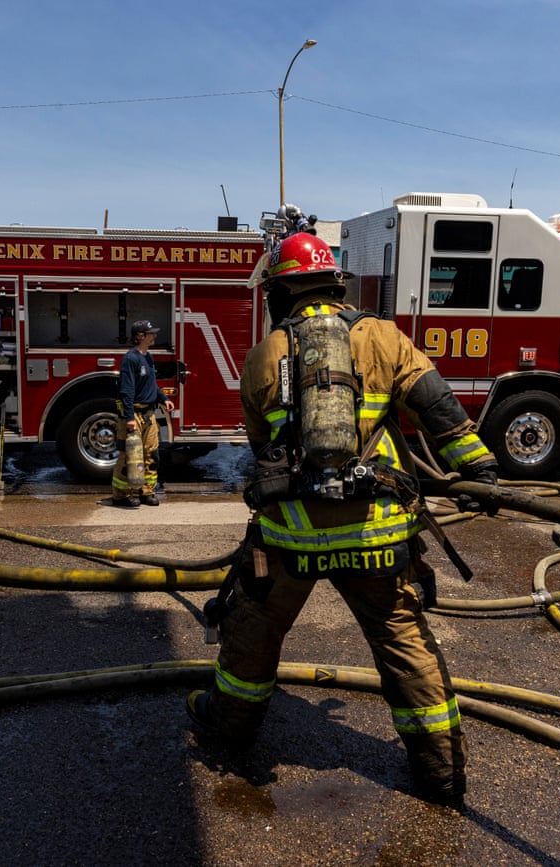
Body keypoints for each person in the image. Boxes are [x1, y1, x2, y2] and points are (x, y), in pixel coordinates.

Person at [185, 223, 500, 807]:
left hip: (290, 538)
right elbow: (437, 407)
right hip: (375, 534)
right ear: (336, 283)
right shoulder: (384, 338)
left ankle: (229, 727)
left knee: (253, 631)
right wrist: (479, 471)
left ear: (281, 292)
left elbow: (263, 452)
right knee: (402, 639)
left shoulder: (263, 355)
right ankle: (440, 772)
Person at [110, 319, 174, 507]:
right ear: (140, 336)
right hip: (134, 415)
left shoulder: (148, 357)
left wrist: (164, 398)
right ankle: (122, 494)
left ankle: (147, 491)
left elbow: (151, 384)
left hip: (149, 414)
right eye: (151, 333)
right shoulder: (131, 359)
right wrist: (129, 418)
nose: (155, 335)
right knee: (130, 456)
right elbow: (126, 391)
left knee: (151, 454)